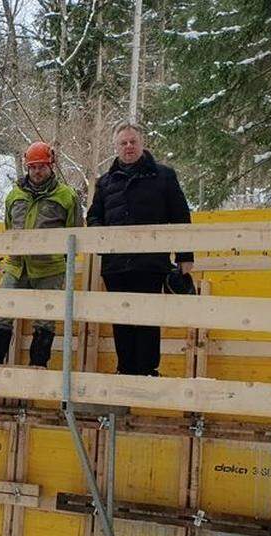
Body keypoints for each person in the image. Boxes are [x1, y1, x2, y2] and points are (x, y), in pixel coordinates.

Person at [87, 122, 194, 376]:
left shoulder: (163, 176)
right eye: (123, 143)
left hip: (150, 262)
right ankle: (125, 370)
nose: (128, 147)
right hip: (116, 266)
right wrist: (102, 241)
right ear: (115, 147)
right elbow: (93, 218)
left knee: (147, 318)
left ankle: (147, 371)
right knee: (122, 320)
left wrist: (185, 256)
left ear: (141, 144)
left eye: (132, 142)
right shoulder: (105, 183)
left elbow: (180, 216)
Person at [0, 141, 82, 368]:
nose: (37, 171)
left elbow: (75, 232)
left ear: (51, 167)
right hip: (16, 265)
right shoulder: (14, 196)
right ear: (27, 167)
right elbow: (9, 228)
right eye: (33, 167)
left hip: (49, 268)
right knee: (1, 317)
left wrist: (60, 261)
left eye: (42, 166)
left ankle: (37, 370)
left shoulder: (67, 196)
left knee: (45, 322)